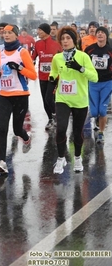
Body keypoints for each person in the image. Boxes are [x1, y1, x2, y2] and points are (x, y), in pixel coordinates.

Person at [49, 26, 98, 174]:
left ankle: (77, 157)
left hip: (80, 100)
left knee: (77, 132)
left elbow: (94, 77)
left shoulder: (83, 56)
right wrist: (52, 77)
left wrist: (80, 68)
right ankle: (60, 158)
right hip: (62, 98)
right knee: (61, 128)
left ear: (74, 40)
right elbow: (54, 70)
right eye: (62, 39)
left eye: (68, 38)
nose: (65, 41)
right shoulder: (57, 57)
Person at [0, 24, 37, 174]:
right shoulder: (0, 53)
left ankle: (26, 138)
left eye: (9, 33)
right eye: (4, 33)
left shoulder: (22, 52)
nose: (6, 35)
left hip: (20, 96)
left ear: (16, 35)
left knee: (17, 129)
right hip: (4, 95)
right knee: (3, 129)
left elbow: (33, 75)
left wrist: (18, 68)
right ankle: (2, 161)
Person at [84, 26, 112, 144]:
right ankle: (92, 118)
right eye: (98, 32)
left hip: (107, 83)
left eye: (102, 32)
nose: (100, 34)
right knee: (95, 112)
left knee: (103, 110)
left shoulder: (110, 49)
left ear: (106, 35)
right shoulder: (89, 50)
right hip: (93, 83)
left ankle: (101, 133)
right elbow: (83, 64)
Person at [32, 23, 62, 130]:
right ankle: (50, 119)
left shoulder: (57, 44)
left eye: (40, 30)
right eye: (38, 30)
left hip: (53, 77)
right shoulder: (37, 44)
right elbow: (33, 57)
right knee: (44, 100)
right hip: (42, 76)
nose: (38, 32)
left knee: (49, 98)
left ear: (45, 31)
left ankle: (56, 116)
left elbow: (63, 58)